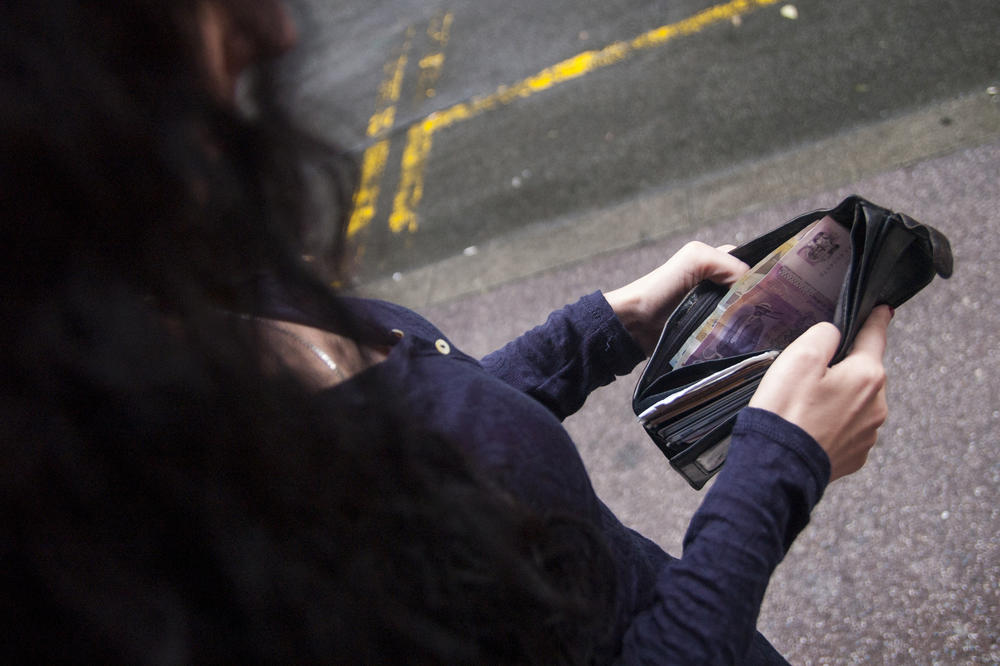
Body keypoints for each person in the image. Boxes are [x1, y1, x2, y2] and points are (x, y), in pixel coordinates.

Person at [0, 0, 891, 663]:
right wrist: (778, 469)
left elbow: (417, 462)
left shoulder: (194, 277)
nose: (276, 32)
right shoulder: (141, 499)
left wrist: (607, 325)